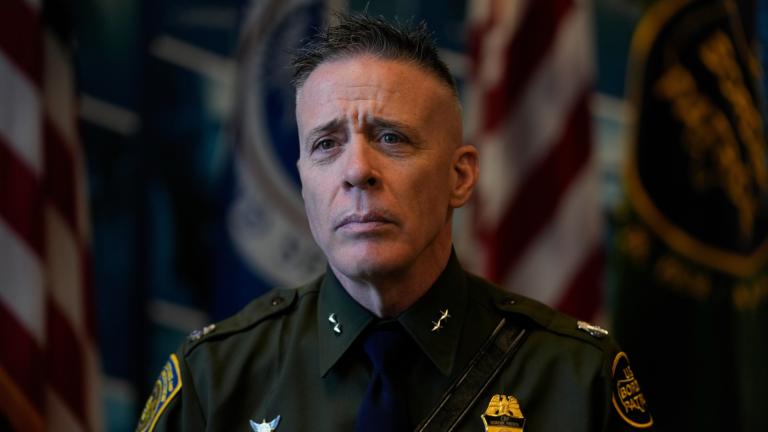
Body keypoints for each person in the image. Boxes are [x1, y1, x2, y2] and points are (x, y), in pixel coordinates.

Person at [137, 13, 654, 432]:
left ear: (461, 177)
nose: (358, 170)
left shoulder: (576, 379)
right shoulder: (214, 380)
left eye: (391, 138)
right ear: (303, 183)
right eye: (326, 144)